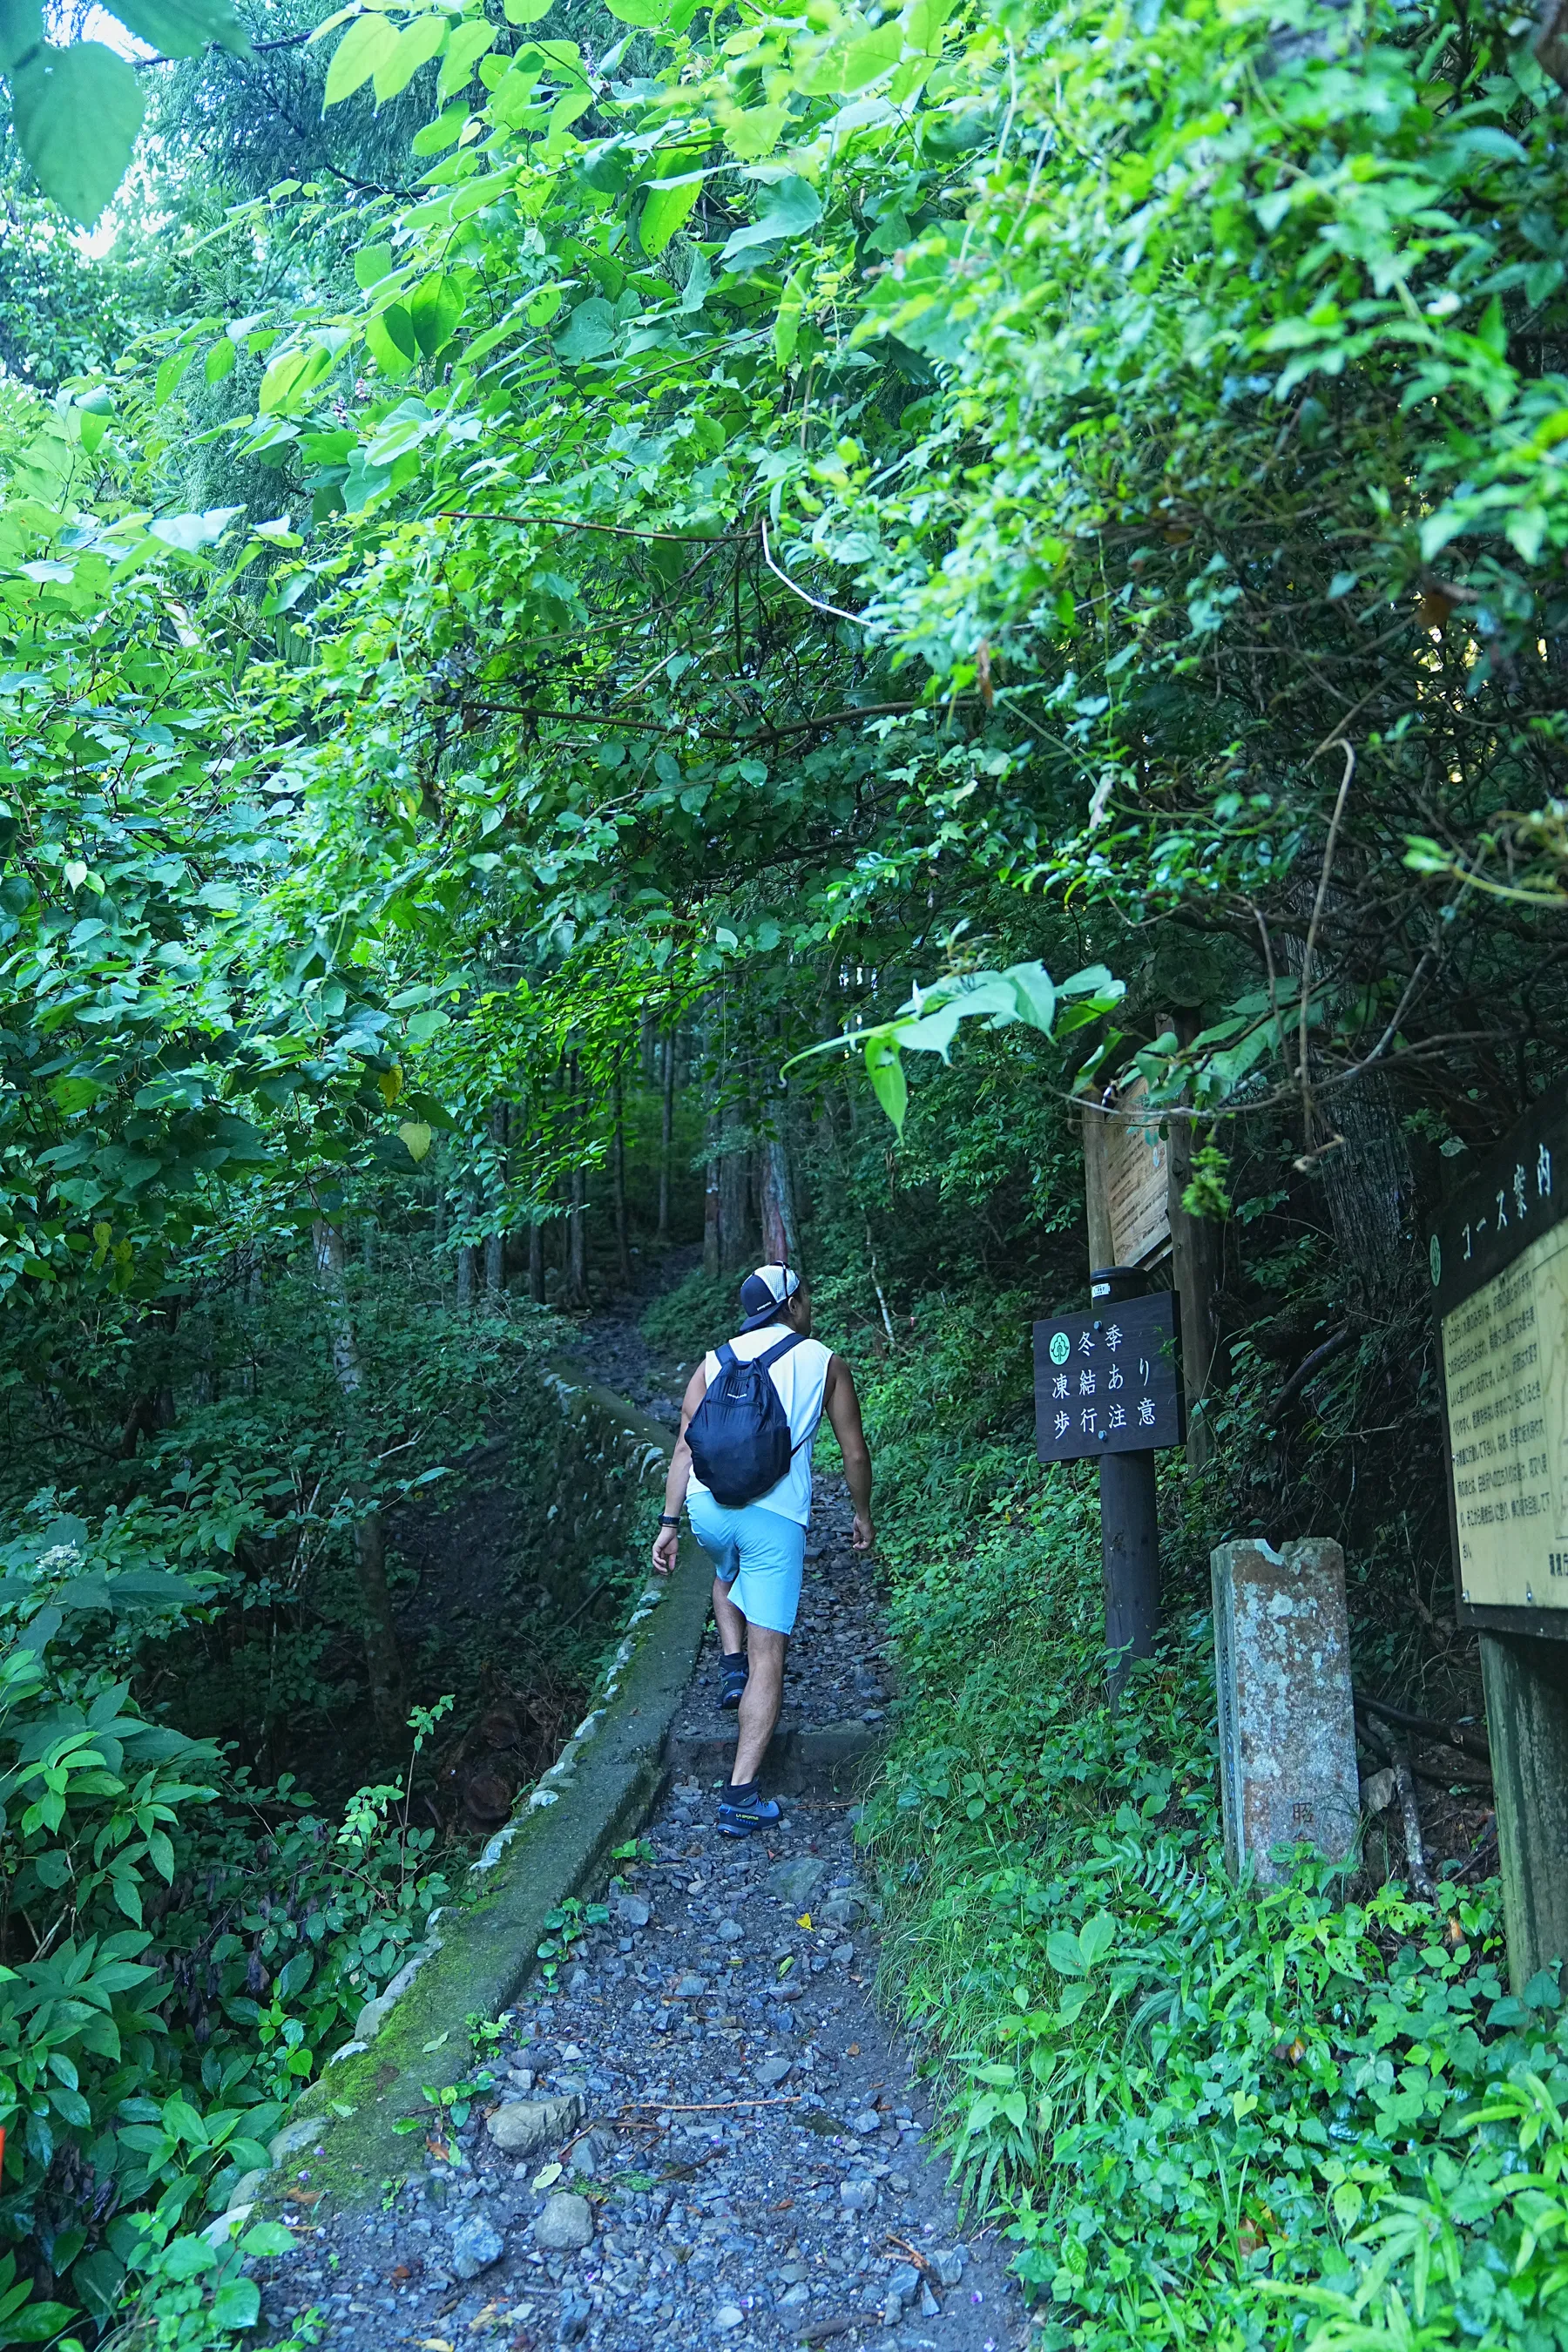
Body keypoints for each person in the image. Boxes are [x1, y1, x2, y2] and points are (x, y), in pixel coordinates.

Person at [650, 1263, 874, 1837]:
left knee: (727, 1566)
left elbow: (682, 1449)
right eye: (805, 1297)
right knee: (768, 1655)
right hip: (774, 1519)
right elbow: (853, 1453)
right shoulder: (823, 1362)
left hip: (708, 1507)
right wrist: (861, 1511)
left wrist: (669, 1524)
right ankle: (741, 1794)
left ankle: (729, 1665)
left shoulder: (713, 1361)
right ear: (792, 1303)